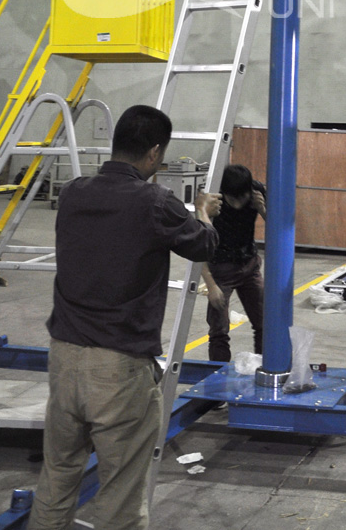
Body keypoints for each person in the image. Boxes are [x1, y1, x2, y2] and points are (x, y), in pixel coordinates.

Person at [27, 105, 220, 530]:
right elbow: (203, 245)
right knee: (120, 495)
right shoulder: (155, 202)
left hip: (64, 358)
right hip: (118, 368)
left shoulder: (73, 193)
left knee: (56, 480)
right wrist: (203, 211)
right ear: (153, 153)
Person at [202, 163, 266, 361]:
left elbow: (280, 230)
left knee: (264, 325)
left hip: (249, 265)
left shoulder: (257, 192)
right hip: (220, 269)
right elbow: (198, 246)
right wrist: (211, 286)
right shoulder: (212, 199)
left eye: (242, 198)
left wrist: (263, 210)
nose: (238, 204)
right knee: (219, 332)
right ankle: (218, 376)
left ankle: (263, 368)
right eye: (232, 199)